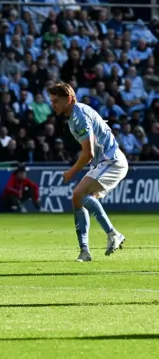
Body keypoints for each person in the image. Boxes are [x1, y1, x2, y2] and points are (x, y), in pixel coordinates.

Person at [49, 82, 127, 262]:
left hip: (112, 161)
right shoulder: (75, 114)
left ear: (69, 99)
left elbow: (88, 152)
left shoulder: (79, 116)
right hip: (103, 162)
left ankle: (113, 234)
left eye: (56, 101)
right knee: (78, 199)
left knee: (78, 193)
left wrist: (71, 172)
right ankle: (84, 250)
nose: (53, 105)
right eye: (52, 101)